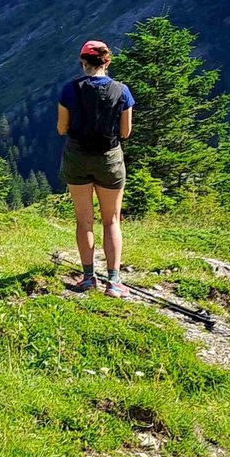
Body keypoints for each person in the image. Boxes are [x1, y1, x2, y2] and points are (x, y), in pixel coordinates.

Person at [58, 39, 135, 298]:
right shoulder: (122, 91)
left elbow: (61, 129)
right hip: (109, 159)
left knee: (84, 220)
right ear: (107, 61)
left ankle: (89, 278)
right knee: (111, 220)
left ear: (83, 62)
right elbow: (125, 132)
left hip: (77, 157)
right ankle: (114, 282)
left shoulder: (70, 90)